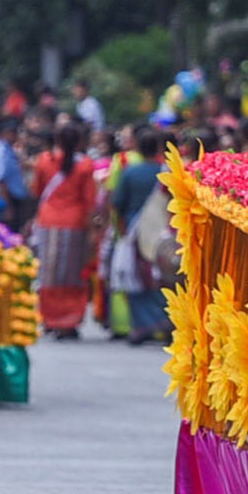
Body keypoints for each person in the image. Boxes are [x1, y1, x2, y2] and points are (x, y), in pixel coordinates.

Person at [30, 125, 100, 340]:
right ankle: (69, 320)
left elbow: (36, 191)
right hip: (76, 225)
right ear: (79, 142)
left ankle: (50, 319)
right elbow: (90, 201)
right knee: (73, 274)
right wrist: (93, 230)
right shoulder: (86, 165)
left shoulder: (44, 161)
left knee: (50, 274)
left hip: (48, 222)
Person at [104, 134, 176, 342]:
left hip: (133, 234)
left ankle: (142, 327)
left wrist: (121, 230)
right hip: (163, 234)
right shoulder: (166, 172)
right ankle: (165, 324)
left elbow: (116, 203)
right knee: (162, 278)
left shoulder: (130, 173)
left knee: (136, 279)